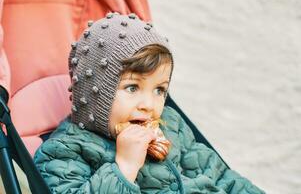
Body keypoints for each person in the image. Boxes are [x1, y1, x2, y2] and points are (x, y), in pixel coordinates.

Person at [34, 13, 265, 194]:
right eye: (132, 87)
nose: (149, 104)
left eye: (159, 90)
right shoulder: (64, 152)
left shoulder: (171, 126)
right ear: (95, 94)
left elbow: (221, 177)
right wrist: (124, 167)